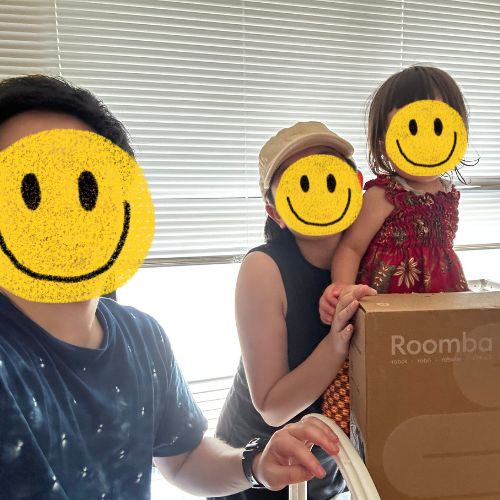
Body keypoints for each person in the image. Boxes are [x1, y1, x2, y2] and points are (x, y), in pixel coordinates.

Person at [0, 75, 343, 500]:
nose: (62, 210)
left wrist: (255, 465)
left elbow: (183, 461)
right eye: (27, 190)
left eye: (87, 187)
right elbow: (272, 403)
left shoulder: (142, 337)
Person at [211, 122, 377, 500]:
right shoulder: (263, 268)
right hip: (257, 467)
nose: (319, 192)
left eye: (329, 176)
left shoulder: (375, 257)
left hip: (327, 466)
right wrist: (336, 342)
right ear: (275, 212)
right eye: (301, 183)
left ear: (355, 185)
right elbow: (273, 406)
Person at [320, 65, 470, 428]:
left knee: (435, 372)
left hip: (439, 306)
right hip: (386, 305)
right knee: (374, 375)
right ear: (383, 141)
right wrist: (342, 291)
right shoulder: (383, 195)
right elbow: (351, 248)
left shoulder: (449, 194)